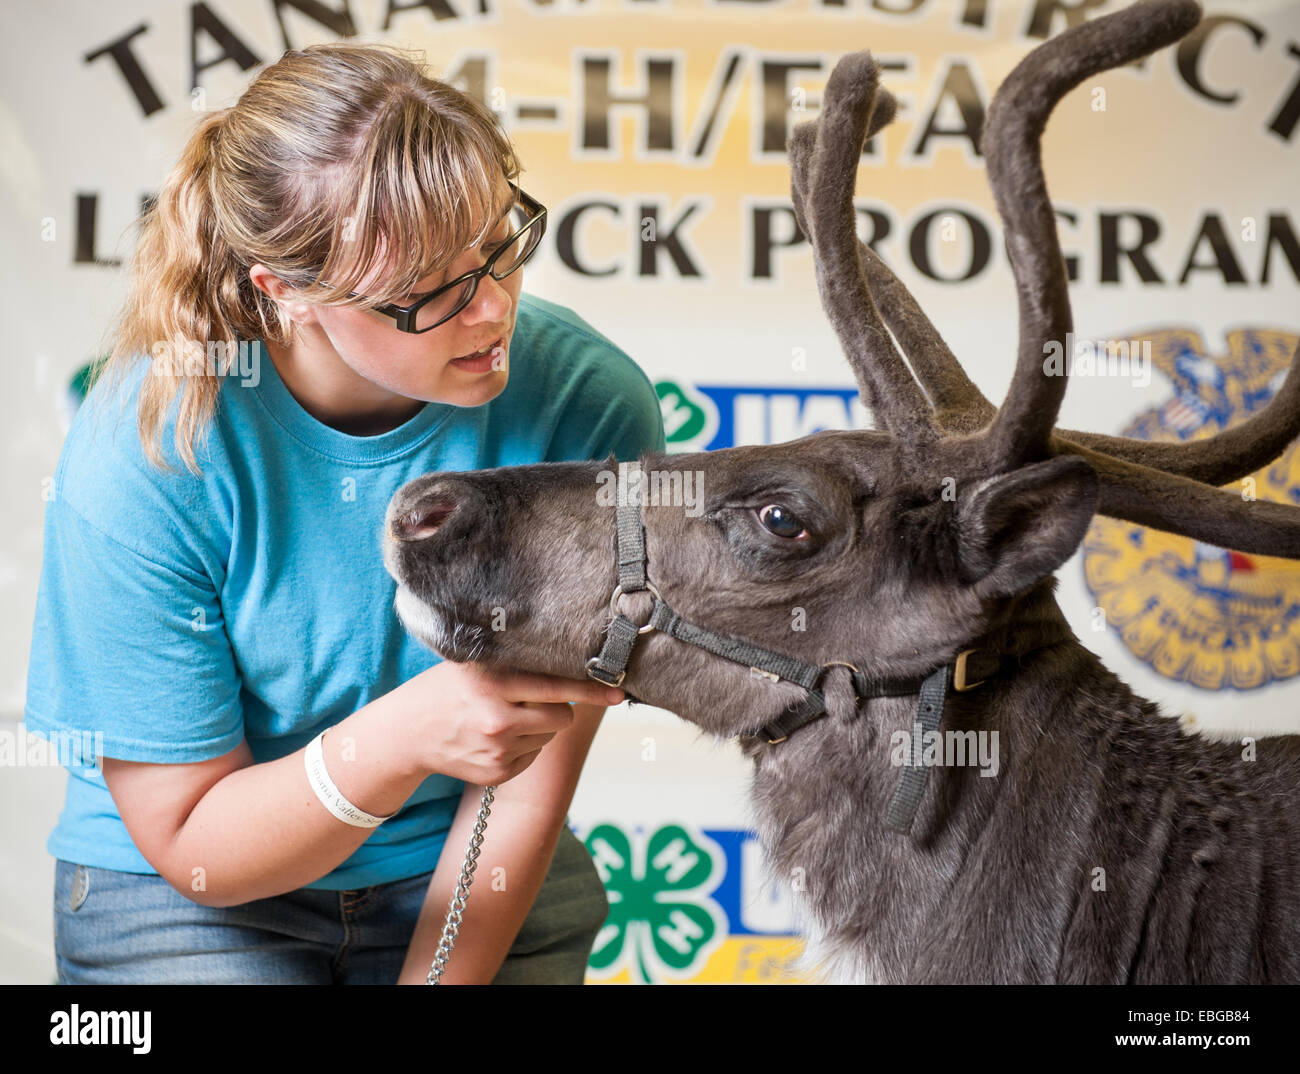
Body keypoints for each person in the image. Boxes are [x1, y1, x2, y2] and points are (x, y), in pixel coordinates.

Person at [24, 42, 666, 985]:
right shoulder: (152, 443)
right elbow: (195, 845)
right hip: (192, 895)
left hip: (459, 859)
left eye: (500, 247)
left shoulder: (587, 405)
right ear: (285, 292)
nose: (491, 312)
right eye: (426, 294)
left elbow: (525, 788)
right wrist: (404, 736)